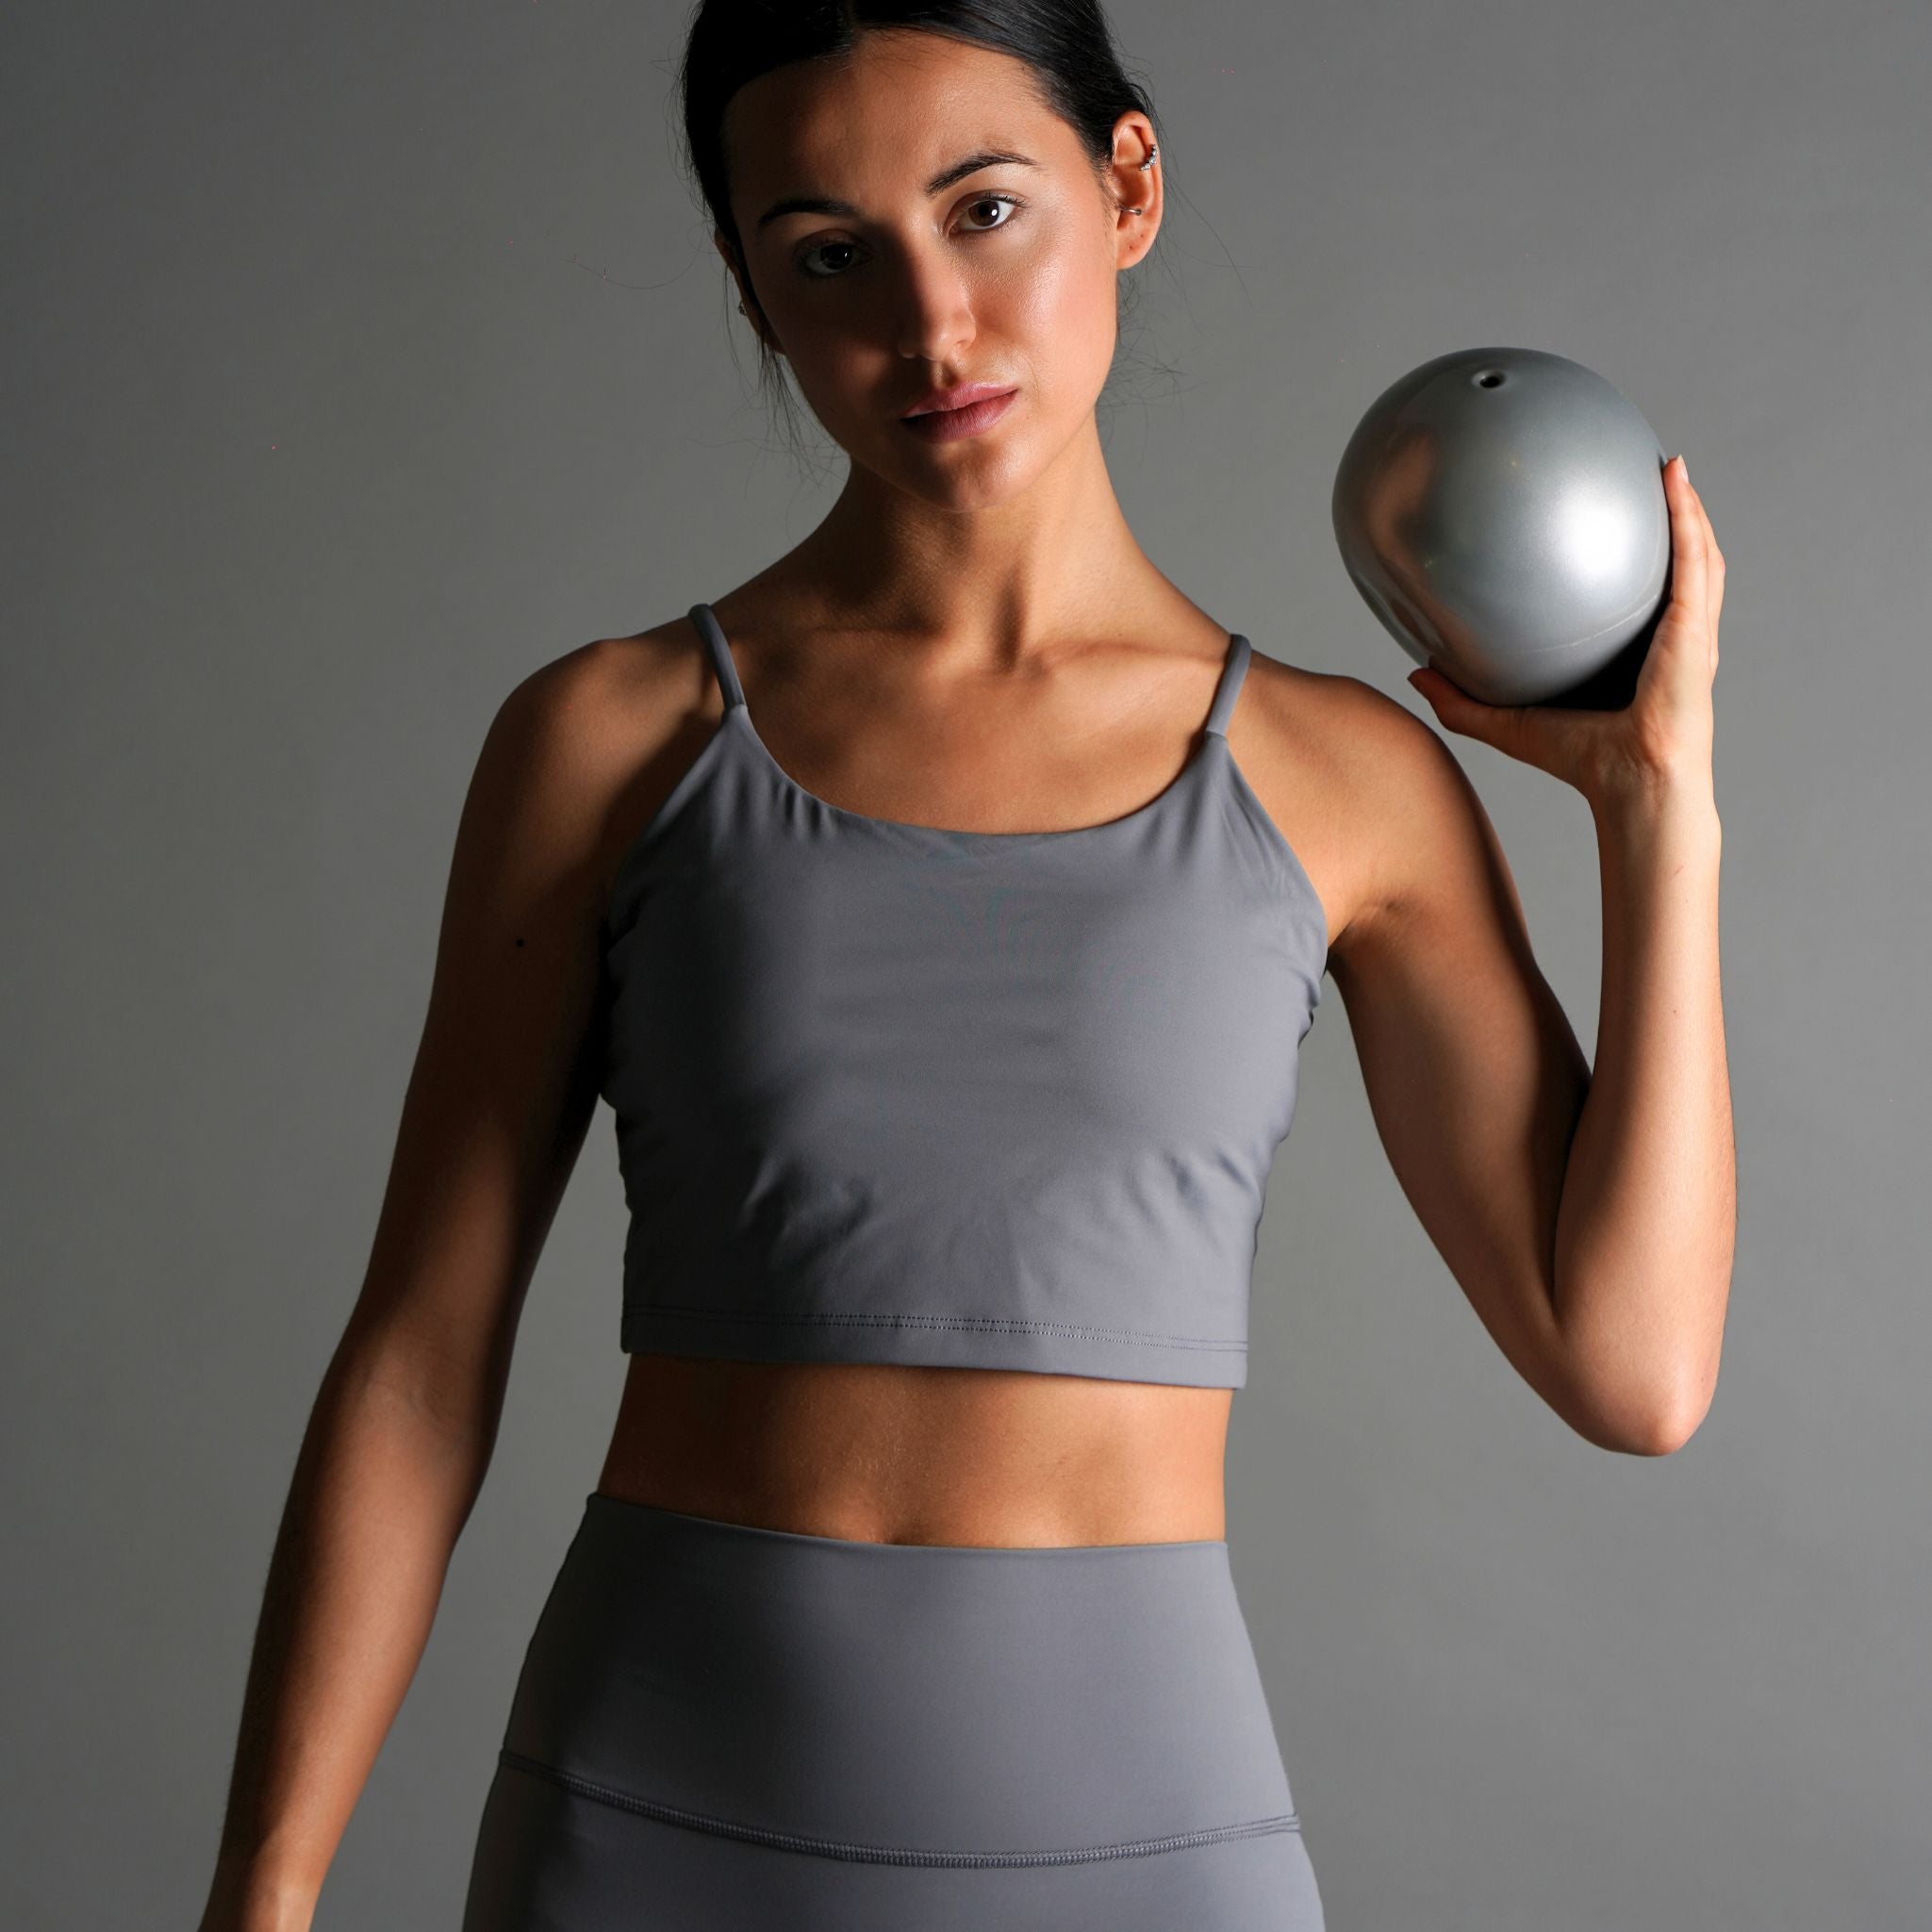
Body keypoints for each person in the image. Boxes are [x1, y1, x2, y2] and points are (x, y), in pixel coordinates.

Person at [194, 5, 1735, 1928]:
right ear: (752, 290)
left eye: (984, 208)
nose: (925, 324)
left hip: (1143, 1847)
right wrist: (265, 1888)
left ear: (1127, 185)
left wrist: (1654, 820)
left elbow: (1634, 1363)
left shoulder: (1342, 783)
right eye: (826, 253)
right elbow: (419, 1364)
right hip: (646, 1826)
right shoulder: (605, 739)